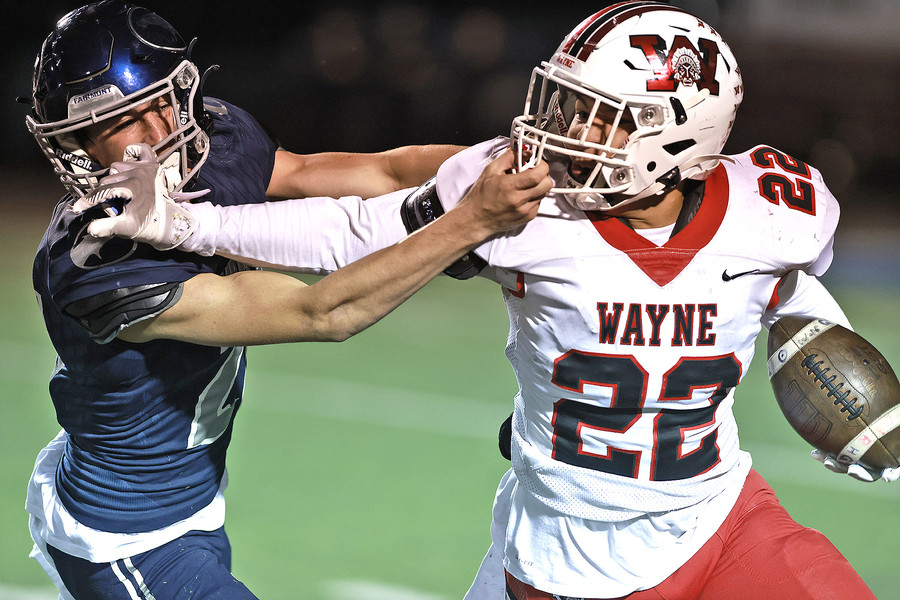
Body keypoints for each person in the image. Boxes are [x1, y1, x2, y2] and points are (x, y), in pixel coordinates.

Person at [85, 2, 900, 599]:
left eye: (600, 117)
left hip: (720, 521)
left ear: (676, 136)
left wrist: (827, 361)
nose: (564, 127)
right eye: (566, 101)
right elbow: (351, 231)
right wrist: (188, 223)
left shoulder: (774, 206)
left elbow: (783, 278)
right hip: (566, 560)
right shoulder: (525, 205)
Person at [22, 1, 552, 599]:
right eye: (118, 124)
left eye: (157, 105)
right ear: (73, 144)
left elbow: (372, 173)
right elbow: (321, 311)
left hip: (189, 500)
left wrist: (516, 159)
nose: (150, 139)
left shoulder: (214, 139)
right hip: (124, 535)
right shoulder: (95, 261)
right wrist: (470, 221)